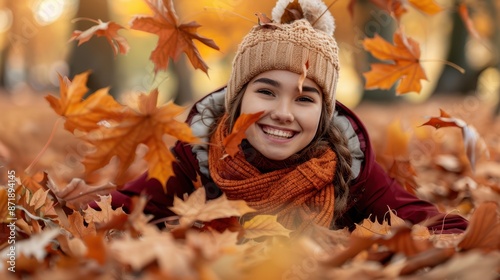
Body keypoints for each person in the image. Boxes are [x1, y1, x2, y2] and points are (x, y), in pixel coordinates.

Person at [107, 0, 468, 234]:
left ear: (324, 113)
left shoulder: (349, 168)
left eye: (304, 98)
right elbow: (119, 209)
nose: (282, 113)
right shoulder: (196, 156)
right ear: (237, 100)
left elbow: (429, 222)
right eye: (265, 92)